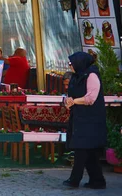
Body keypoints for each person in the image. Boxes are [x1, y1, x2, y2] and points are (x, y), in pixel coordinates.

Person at [63, 52, 107, 189]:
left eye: (71, 63)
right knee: (90, 152)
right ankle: (98, 180)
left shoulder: (92, 76)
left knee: (81, 149)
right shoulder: (77, 76)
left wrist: (74, 101)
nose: (70, 65)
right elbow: (71, 94)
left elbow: (91, 98)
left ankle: (74, 179)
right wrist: (68, 101)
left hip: (91, 118)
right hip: (80, 117)